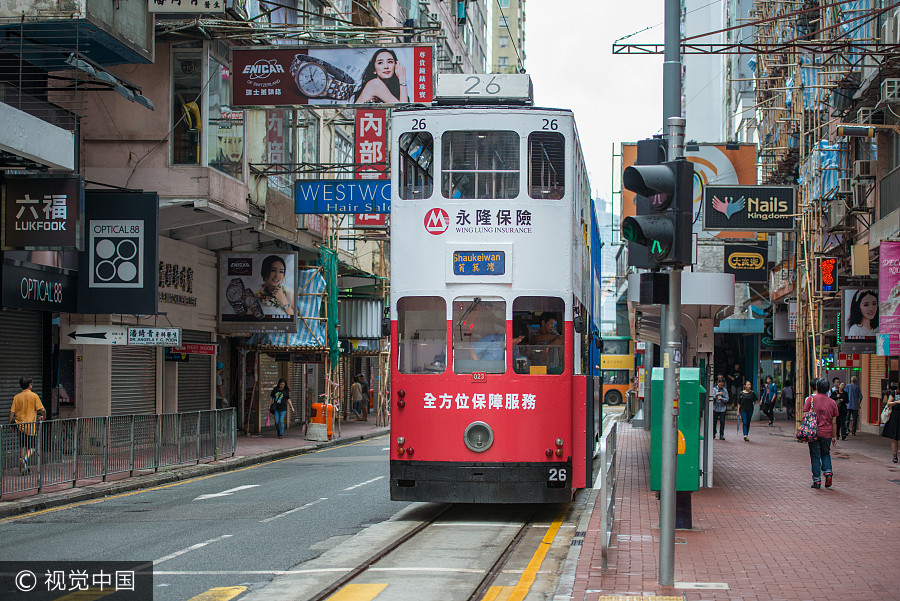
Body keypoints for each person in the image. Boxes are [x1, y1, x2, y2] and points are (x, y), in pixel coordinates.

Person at [803, 378, 840, 489]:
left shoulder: (811, 399)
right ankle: (828, 473)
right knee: (826, 453)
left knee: (815, 456)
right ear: (828, 388)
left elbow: (805, 415)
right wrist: (834, 436)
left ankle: (817, 481)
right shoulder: (832, 402)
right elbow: (834, 421)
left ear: (817, 387)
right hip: (827, 433)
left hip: (813, 432)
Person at [9, 376, 46, 475]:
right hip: (30, 426)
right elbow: (42, 410)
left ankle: (23, 469)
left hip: (19, 426)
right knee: (32, 447)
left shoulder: (17, 397)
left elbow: (12, 412)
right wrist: (44, 417)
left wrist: (9, 423)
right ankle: (25, 459)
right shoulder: (34, 396)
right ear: (30, 385)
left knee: (23, 445)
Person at [882, 383, 900, 463]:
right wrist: (897, 402)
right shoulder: (894, 393)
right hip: (895, 416)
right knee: (894, 438)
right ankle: (894, 456)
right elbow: (888, 403)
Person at [710, 376, 729, 440]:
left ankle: (721, 435)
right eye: (720, 385)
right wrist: (716, 395)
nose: (721, 386)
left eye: (722, 385)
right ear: (718, 383)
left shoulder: (725, 390)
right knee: (714, 422)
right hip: (715, 407)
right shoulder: (714, 389)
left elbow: (727, 399)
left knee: (722, 422)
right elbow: (711, 397)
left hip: (722, 408)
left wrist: (722, 399)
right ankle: (713, 433)